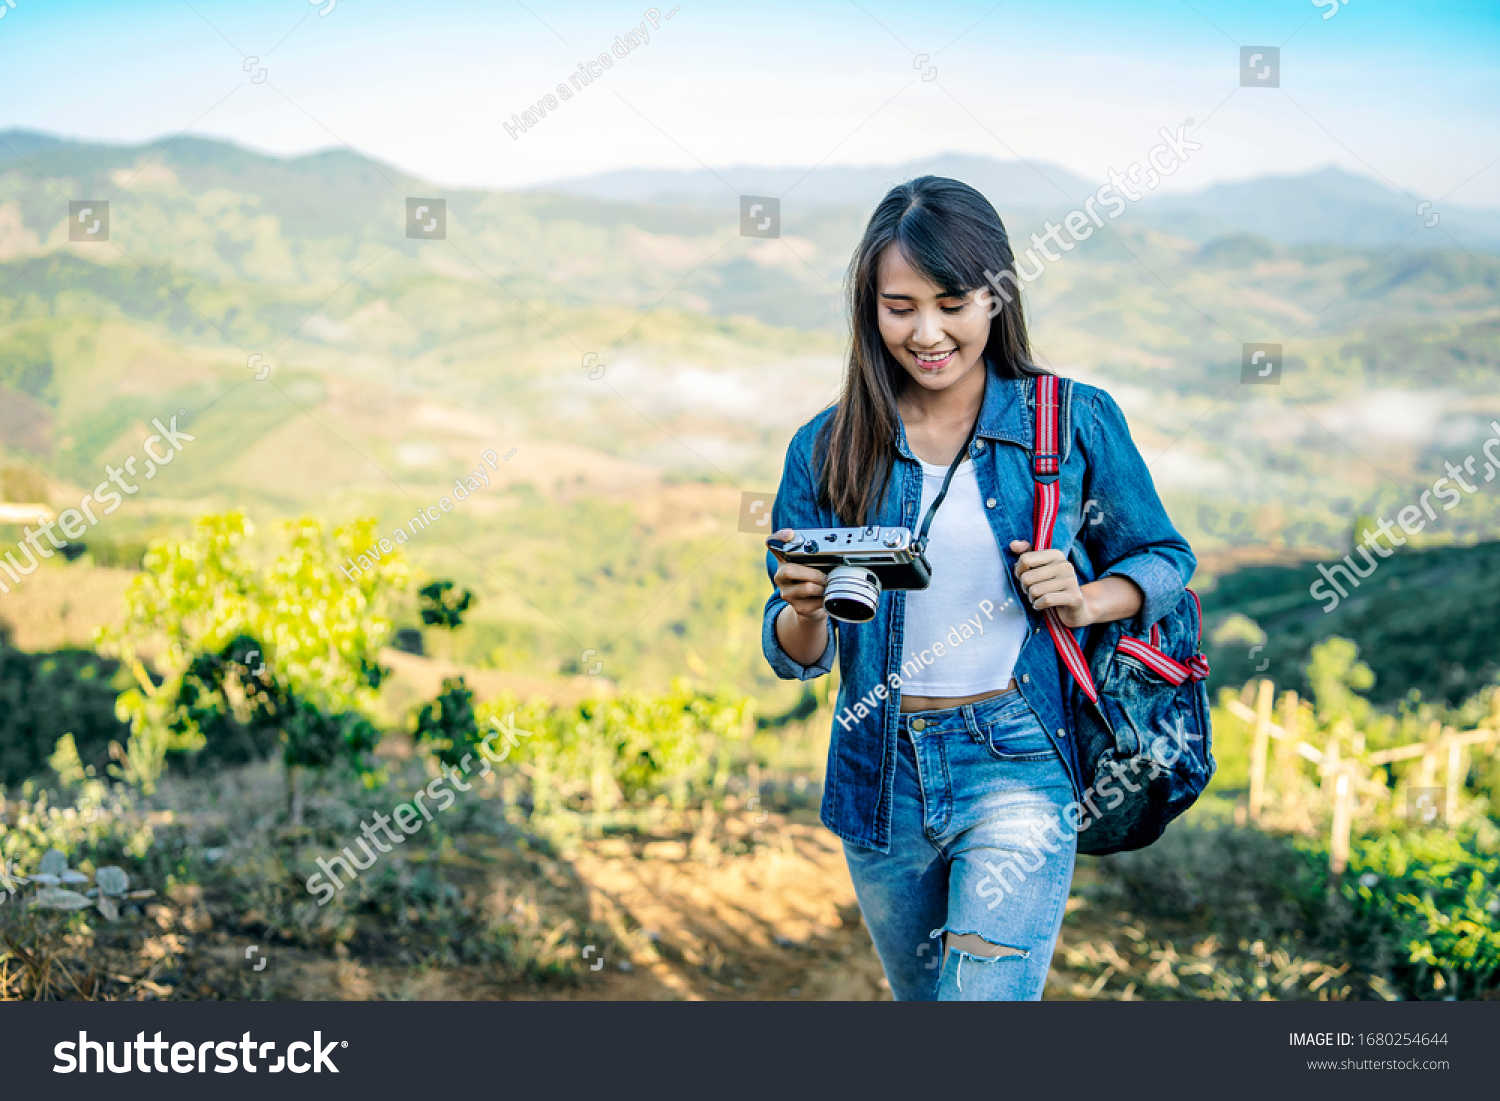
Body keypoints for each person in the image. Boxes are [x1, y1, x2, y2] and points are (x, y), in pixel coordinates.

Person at [760, 176, 1196, 1000]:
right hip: (877, 766)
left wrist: (1088, 597)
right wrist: (804, 610)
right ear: (869, 308)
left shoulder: (1071, 420)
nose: (927, 332)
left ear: (996, 298)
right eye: (900, 307)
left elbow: (1165, 557)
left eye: (953, 301)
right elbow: (797, 656)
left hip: (1018, 757)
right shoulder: (824, 446)